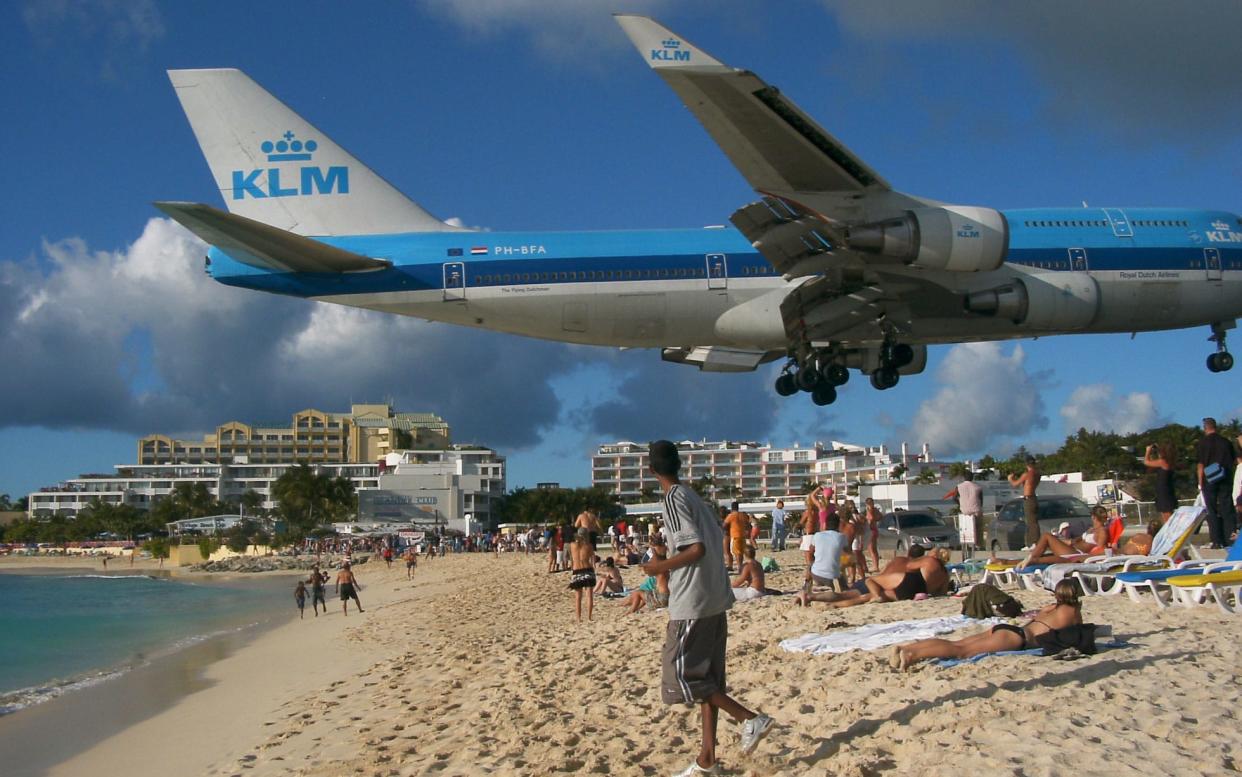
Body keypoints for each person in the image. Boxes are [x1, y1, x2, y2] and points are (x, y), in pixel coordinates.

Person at [642, 440, 772, 774]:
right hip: (715, 597)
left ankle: (750, 718)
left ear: (651, 469)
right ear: (680, 464)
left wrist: (658, 567)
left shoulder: (672, 498)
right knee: (708, 682)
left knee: (681, 678)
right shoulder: (693, 497)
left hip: (692, 602)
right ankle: (707, 760)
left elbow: (695, 549)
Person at [891, 579, 1084, 670]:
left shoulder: (1052, 608)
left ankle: (909, 647)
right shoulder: (1073, 612)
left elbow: (1041, 616)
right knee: (962, 651)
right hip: (1016, 639)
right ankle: (912, 654)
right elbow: (1079, 634)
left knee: (959, 643)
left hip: (1008, 629)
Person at [1018, 506, 1119, 567]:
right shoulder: (1091, 529)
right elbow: (1078, 539)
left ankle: (1031, 558)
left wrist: (1083, 557)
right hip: (1073, 549)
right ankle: (1027, 559)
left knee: (1046, 536)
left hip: (1078, 554)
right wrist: (1068, 542)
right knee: (1046, 547)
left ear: (1093, 517)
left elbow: (1100, 549)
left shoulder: (1102, 531)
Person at [1197, 417, 1238, 548]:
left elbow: (1201, 464)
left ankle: (1216, 540)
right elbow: (1233, 461)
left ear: (1205, 428)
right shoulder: (1225, 442)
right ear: (1216, 426)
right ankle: (1230, 538)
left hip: (1209, 480)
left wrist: (1200, 482)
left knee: (1212, 510)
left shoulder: (1202, 443)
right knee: (1227, 509)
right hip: (1225, 478)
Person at [944, 472, 983, 559]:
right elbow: (981, 500)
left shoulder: (959, 486)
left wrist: (960, 504)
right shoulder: (978, 487)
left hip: (964, 511)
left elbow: (954, 498)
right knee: (978, 528)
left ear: (964, 478)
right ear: (972, 478)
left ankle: (966, 547)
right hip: (976, 511)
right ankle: (979, 545)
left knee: (964, 530)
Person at [627, 536, 671, 614]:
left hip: (661, 598)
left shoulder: (659, 570)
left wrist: (652, 549)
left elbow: (654, 560)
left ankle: (631, 611)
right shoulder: (666, 569)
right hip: (666, 596)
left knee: (638, 592)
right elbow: (661, 556)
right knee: (646, 594)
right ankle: (635, 609)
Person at [1008, 456, 1042, 548]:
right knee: (1032, 521)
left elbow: (1015, 484)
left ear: (1026, 464)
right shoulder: (1037, 474)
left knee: (1031, 522)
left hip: (1028, 498)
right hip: (1034, 498)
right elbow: (1029, 484)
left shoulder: (1026, 474)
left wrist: (1010, 478)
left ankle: (1034, 542)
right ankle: (1031, 543)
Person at [1144, 443, 1178, 523]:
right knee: (1166, 514)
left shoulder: (1163, 462)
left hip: (1164, 492)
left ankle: (1171, 533)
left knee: (1167, 516)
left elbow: (1146, 462)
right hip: (1166, 490)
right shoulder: (1169, 462)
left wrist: (1147, 451)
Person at [568, 529, 597, 622]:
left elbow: (571, 559)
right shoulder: (589, 546)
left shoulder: (572, 545)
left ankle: (578, 618)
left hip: (577, 570)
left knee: (578, 597)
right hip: (587, 569)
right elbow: (593, 559)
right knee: (589, 595)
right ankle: (589, 617)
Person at [722, 502, 750, 573]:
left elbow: (724, 525)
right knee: (741, 552)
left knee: (736, 552)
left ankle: (740, 567)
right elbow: (748, 524)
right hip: (743, 536)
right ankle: (740, 566)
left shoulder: (731, 515)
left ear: (732, 508)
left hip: (735, 536)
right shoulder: (742, 515)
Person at [864, 497, 883, 570]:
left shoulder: (870, 509)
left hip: (871, 529)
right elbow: (881, 516)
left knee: (871, 549)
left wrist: (869, 519)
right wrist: (875, 519)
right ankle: (876, 565)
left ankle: (875, 566)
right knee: (873, 549)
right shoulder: (875, 509)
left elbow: (871, 518)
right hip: (874, 529)